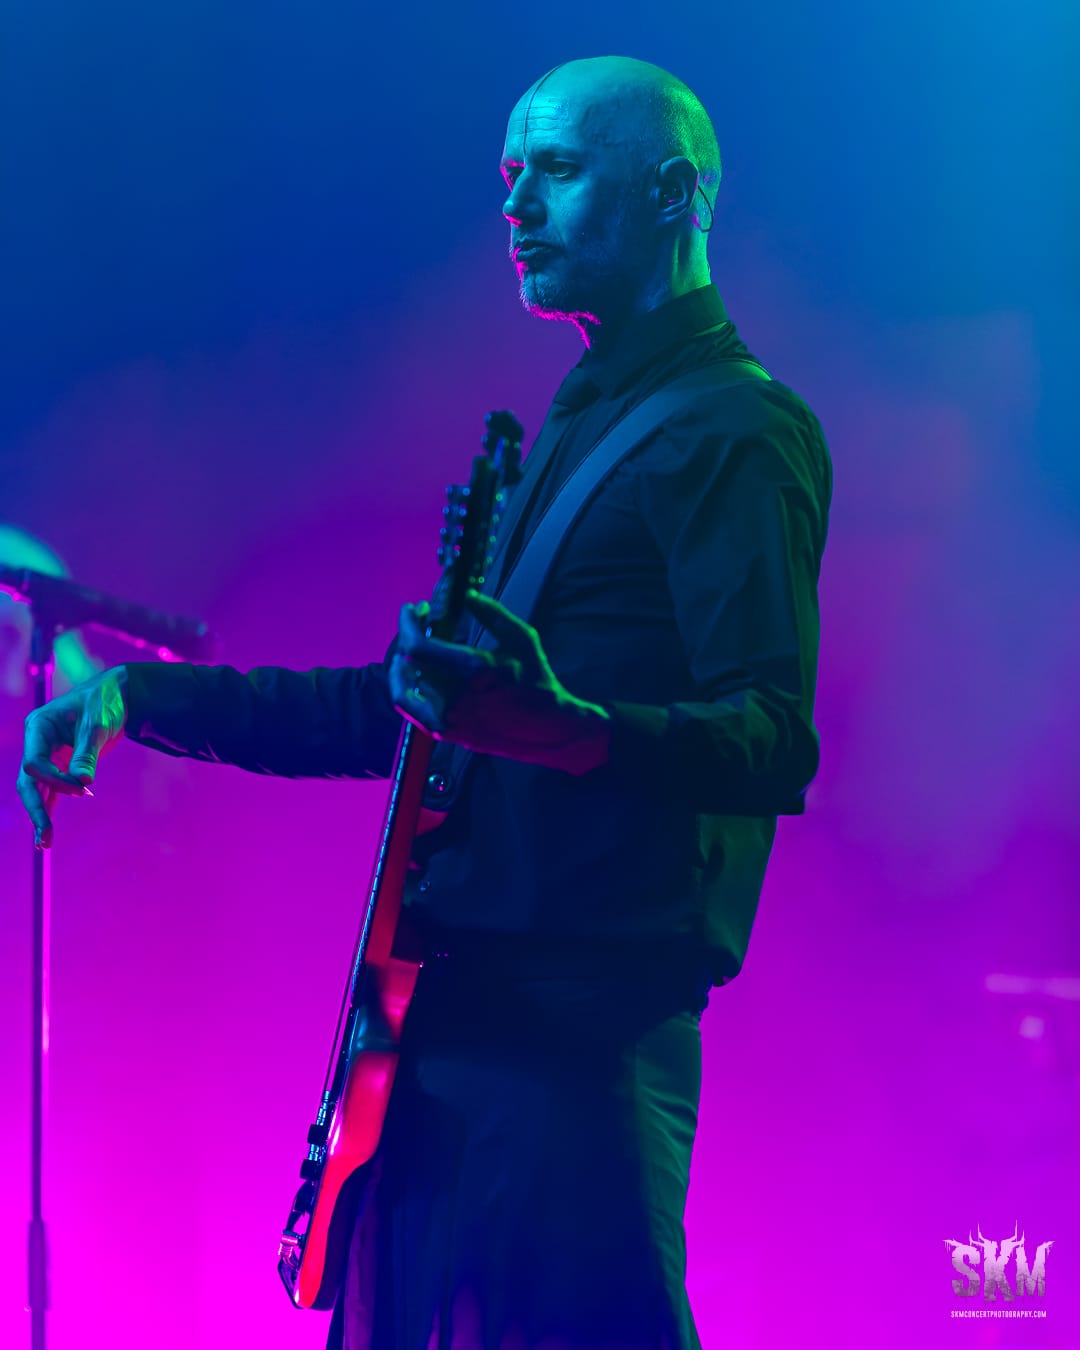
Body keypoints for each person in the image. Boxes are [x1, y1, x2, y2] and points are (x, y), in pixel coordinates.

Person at [17, 55, 832, 1350]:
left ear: (673, 193)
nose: (516, 204)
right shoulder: (580, 424)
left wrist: (562, 728)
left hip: (579, 1051)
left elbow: (773, 739)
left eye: (557, 170)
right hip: (443, 1042)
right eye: (510, 174)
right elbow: (403, 719)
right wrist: (132, 695)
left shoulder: (735, 430)